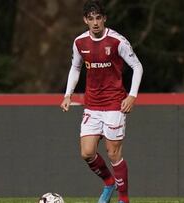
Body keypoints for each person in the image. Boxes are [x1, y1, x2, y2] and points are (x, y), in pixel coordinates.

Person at [60, 1, 143, 203]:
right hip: (93, 104)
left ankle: (124, 199)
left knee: (113, 152)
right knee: (87, 152)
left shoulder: (117, 41)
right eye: (91, 19)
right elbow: (76, 67)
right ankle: (108, 182)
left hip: (115, 103)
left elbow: (137, 67)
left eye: (98, 18)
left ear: (104, 18)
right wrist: (68, 94)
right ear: (85, 20)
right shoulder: (80, 42)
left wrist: (132, 95)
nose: (95, 22)